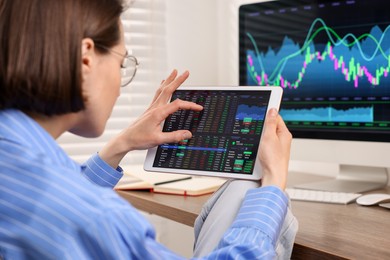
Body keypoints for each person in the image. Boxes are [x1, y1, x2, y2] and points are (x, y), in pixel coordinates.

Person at [0, 0, 297, 259]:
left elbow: (63, 197)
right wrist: (273, 183)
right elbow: (71, 208)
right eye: (122, 63)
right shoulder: (94, 217)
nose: (119, 86)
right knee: (252, 191)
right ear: (85, 59)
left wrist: (122, 143)